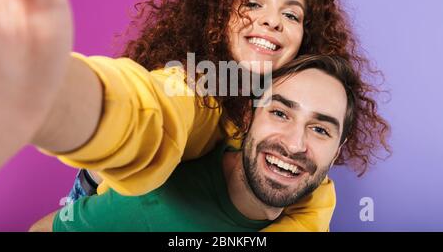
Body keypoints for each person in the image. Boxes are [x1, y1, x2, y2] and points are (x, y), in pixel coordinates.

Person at [0, 0, 389, 232]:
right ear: (217, 15)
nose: (271, 20)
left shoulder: (306, 162)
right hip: (102, 195)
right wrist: (49, 92)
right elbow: (146, 110)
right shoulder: (198, 87)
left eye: (292, 15)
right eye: (252, 3)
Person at [29, 54, 379, 232]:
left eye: (320, 130)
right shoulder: (156, 204)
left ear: (338, 149)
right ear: (248, 118)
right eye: (281, 114)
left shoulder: (314, 207)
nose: (295, 143)